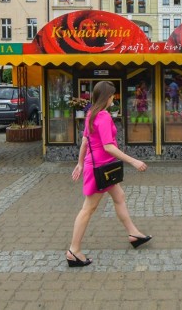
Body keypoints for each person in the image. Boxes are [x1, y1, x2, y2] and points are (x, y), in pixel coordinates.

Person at [67, 81, 151, 267]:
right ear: (107, 97)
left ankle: (133, 233)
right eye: (113, 94)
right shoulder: (103, 116)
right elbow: (108, 146)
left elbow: (84, 142)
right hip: (100, 168)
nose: (114, 97)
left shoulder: (91, 113)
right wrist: (133, 161)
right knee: (88, 209)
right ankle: (74, 250)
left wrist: (80, 163)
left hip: (102, 167)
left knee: (119, 196)